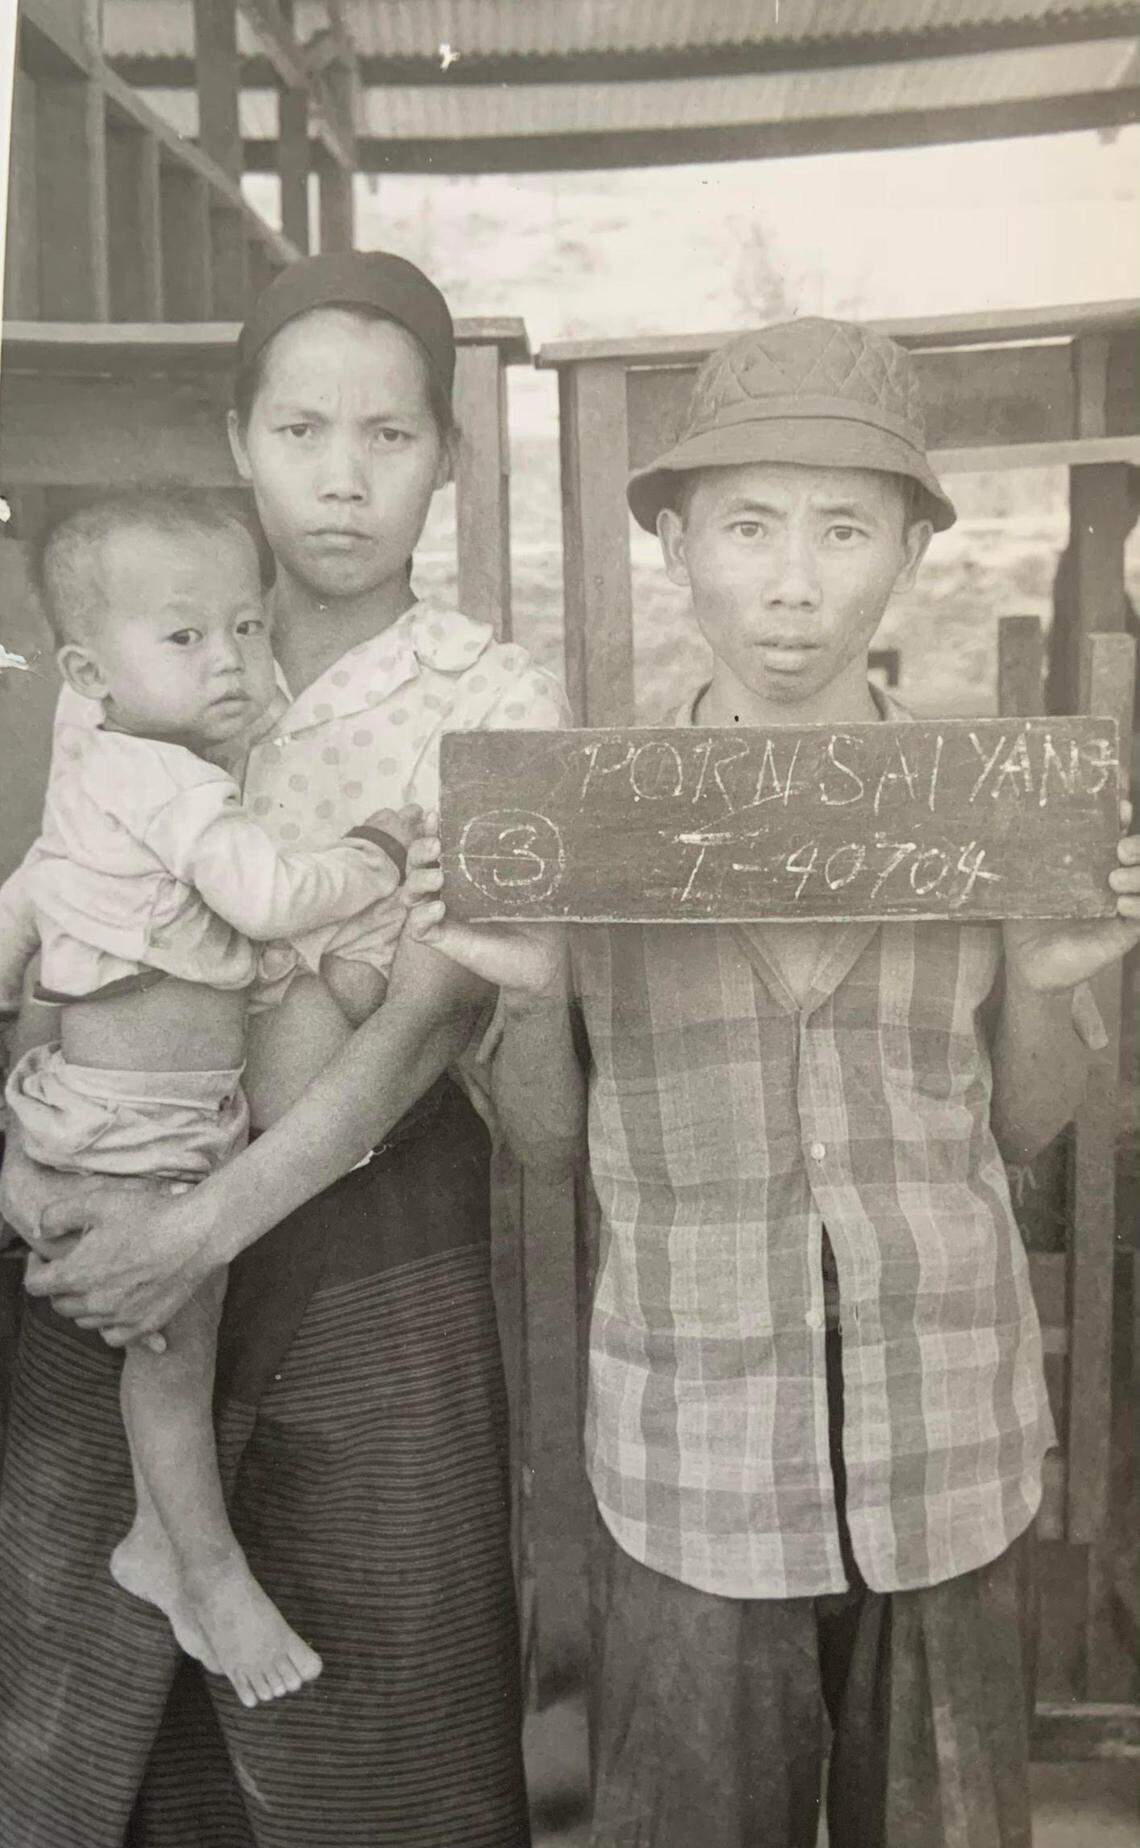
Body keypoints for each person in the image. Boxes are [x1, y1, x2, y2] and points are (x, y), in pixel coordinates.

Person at [399, 318, 1140, 1848]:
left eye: (844, 526)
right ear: (675, 542)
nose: (793, 581)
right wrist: (524, 993)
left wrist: (1067, 986)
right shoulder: (586, 821)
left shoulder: (985, 813)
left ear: (913, 554)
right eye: (747, 526)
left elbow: (1029, 1126)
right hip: (690, 1458)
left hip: (946, 1443)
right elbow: (543, 1148)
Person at [0, 252, 565, 1847]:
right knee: (93, 1719)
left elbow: (429, 1022)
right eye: (302, 429)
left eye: (390, 438)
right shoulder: (122, 660)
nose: (342, 475)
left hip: (366, 1233)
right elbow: (64, 939)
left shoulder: (499, 695)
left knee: (389, 1707)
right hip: (110, 1209)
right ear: (237, 437)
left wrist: (197, 1233)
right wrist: (56, 1188)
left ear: (446, 459)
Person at [0, 489, 425, 1709]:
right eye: (184, 639)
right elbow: (274, 897)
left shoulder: (132, 777)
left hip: (150, 1114)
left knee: (177, 1338)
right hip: (139, 1136)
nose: (231, 660)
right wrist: (376, 857)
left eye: (245, 628)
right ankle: (204, 1567)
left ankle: (156, 1533)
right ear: (87, 670)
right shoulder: (162, 785)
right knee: (174, 1354)